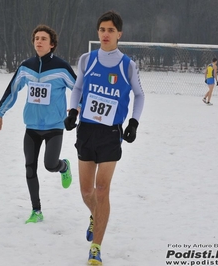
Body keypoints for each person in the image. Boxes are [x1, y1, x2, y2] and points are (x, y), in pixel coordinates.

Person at [64, 11, 144, 265]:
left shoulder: (127, 65)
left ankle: (95, 247)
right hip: (86, 130)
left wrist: (133, 123)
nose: (105, 34)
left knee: (101, 189)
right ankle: (95, 216)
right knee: (86, 191)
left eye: (110, 30)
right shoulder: (87, 60)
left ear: (119, 34)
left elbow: (139, 95)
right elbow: (78, 88)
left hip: (111, 134)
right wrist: (72, 112)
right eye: (102, 29)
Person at [0, 24, 76, 224]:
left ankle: (64, 167)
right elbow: (12, 90)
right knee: (30, 168)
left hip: (54, 127)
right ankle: (36, 210)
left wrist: (77, 109)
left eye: (43, 38)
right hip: (31, 127)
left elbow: (78, 89)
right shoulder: (26, 67)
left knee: (49, 165)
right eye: (36, 38)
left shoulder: (62, 67)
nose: (39, 41)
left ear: (52, 44)